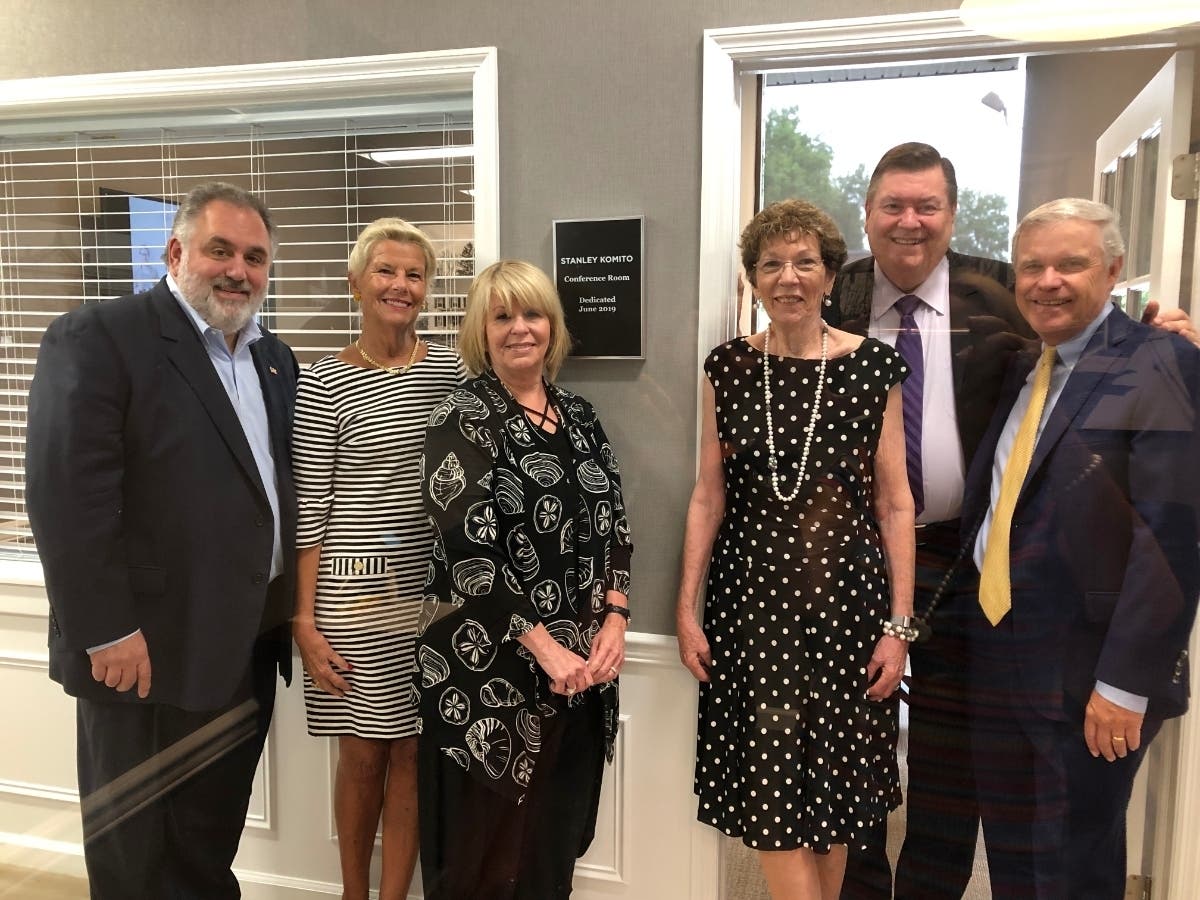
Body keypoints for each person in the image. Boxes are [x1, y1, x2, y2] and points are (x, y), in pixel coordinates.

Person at [831, 142, 1200, 899]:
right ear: (866, 216)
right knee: (888, 768)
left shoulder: (1016, 300)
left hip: (995, 589)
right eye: (892, 206)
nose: (1047, 281)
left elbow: (1170, 533)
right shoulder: (829, 296)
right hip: (877, 569)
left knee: (1001, 804)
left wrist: (1158, 334)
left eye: (928, 206)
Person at [25, 181, 297, 898]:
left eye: (255, 257)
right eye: (220, 250)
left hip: (244, 644)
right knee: (137, 858)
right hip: (143, 652)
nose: (238, 270)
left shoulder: (273, 358)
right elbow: (65, 496)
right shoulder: (102, 337)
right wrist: (106, 629)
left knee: (207, 842)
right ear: (175, 253)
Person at [676, 199, 915, 899]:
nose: (788, 277)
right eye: (771, 264)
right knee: (771, 791)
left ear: (830, 276)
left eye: (805, 262)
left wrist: (899, 627)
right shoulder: (727, 368)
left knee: (835, 804)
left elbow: (895, 503)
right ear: (752, 278)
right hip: (752, 615)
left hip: (849, 613)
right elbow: (707, 497)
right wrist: (686, 610)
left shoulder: (873, 369)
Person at [963, 198, 1200, 898]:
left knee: (1073, 868)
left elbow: (1171, 537)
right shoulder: (1025, 366)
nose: (1048, 281)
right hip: (999, 650)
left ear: (1114, 270)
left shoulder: (1160, 360)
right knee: (1013, 857)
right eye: (1032, 266)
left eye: (1071, 264)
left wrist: (1125, 684)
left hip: (1092, 671)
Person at [415, 259, 633, 899]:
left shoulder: (581, 417)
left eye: (532, 313)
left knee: (550, 850)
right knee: (481, 862)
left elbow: (616, 526)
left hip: (580, 676)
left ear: (552, 326)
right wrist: (544, 646)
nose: (519, 328)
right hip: (486, 675)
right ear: (480, 332)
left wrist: (615, 618)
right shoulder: (461, 417)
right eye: (502, 316)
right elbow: (467, 552)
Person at [291, 218, 465, 900]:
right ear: (355, 283)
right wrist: (304, 621)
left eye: (415, 274)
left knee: (415, 752)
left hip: (432, 592)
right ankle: (353, 894)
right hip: (352, 596)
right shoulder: (322, 382)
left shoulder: (452, 371)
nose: (401, 285)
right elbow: (310, 512)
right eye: (386, 271)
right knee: (363, 754)